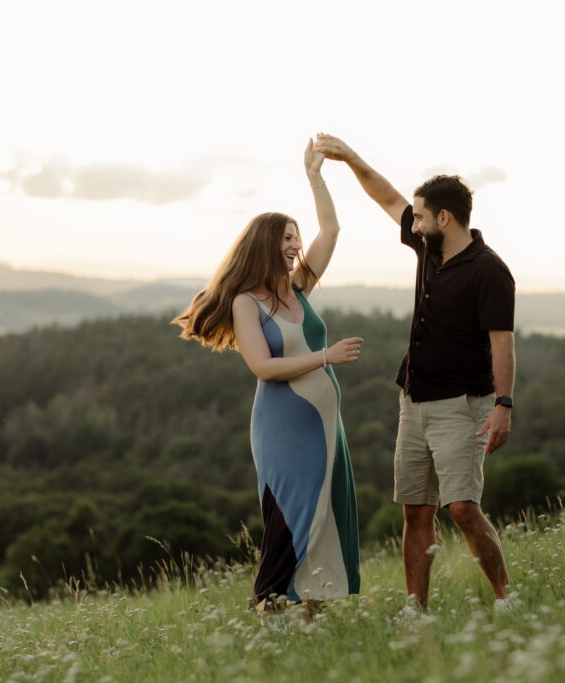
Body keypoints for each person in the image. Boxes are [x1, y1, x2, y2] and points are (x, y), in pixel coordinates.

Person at [314, 134, 516, 614]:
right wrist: (349, 159)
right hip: (414, 401)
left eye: (421, 215)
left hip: (463, 405)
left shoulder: (491, 271)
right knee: (415, 510)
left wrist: (505, 405)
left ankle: (507, 598)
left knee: (463, 508)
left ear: (444, 218)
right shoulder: (428, 249)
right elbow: (386, 195)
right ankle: (415, 609)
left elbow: (502, 343)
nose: (414, 221)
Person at [173, 139, 362, 615]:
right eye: (286, 238)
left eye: (297, 237)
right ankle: (268, 612)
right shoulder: (246, 303)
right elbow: (263, 367)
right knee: (290, 521)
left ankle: (311, 621)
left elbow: (333, 229)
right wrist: (326, 357)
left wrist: (315, 176)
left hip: (324, 427)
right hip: (283, 430)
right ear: (265, 245)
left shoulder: (299, 288)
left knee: (323, 520)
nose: (296, 246)